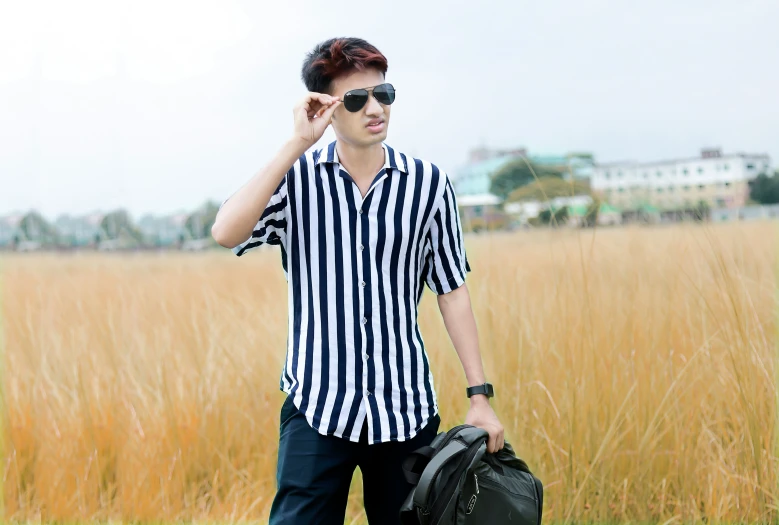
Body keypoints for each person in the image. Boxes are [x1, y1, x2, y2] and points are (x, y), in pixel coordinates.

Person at [211, 36, 504, 525]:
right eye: (356, 99)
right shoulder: (298, 181)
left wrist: (480, 397)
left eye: (383, 94)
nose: (375, 108)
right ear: (326, 108)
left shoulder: (427, 185)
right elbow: (225, 231)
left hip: (405, 410)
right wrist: (296, 143)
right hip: (317, 406)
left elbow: (451, 291)